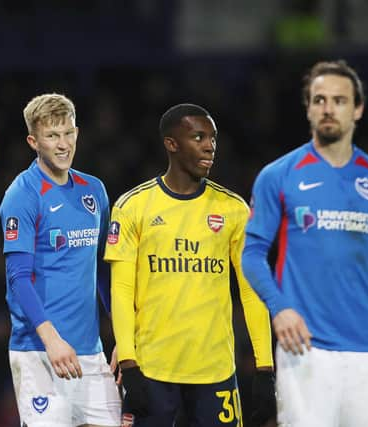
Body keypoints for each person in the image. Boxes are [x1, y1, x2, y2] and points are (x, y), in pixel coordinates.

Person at [242, 59, 368, 426]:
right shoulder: (278, 176)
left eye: (339, 100)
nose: (328, 108)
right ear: (308, 108)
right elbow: (253, 254)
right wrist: (280, 308)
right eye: (319, 99)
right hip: (306, 351)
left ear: (357, 109)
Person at [104, 103, 275, 426]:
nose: (210, 146)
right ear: (171, 144)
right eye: (199, 137)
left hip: (215, 371)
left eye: (213, 138)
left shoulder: (234, 209)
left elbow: (251, 291)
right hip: (152, 370)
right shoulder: (132, 207)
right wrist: (128, 363)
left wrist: (264, 367)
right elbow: (122, 291)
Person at [0, 93, 121, 427]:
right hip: (39, 351)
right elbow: (18, 278)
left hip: (90, 351)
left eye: (68, 133)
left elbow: (102, 270)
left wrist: (123, 338)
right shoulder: (22, 195)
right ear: (33, 141)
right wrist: (52, 340)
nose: (63, 144)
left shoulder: (94, 191)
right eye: (52, 136)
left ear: (77, 133)